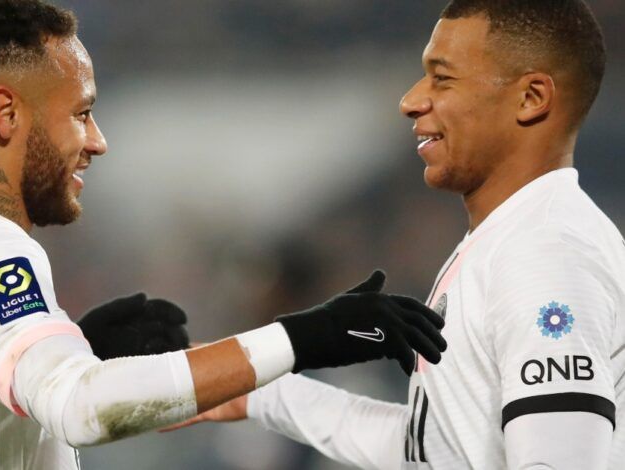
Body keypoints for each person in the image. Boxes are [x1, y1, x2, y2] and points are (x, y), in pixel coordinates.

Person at [0, 1, 447, 468]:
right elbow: (81, 407)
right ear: (6, 114)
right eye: (81, 113)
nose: (97, 141)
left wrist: (74, 347)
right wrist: (303, 337)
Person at [168, 1, 625, 469]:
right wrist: (258, 391)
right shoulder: (507, 241)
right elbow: (437, 451)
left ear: (530, 98)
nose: (411, 100)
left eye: (442, 78)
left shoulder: (546, 255)